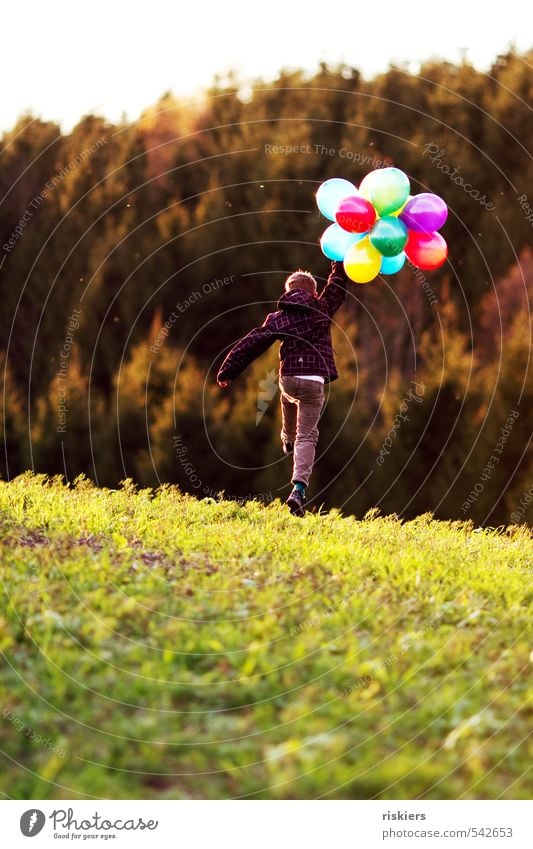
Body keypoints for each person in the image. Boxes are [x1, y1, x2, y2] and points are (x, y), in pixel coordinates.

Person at [217, 260, 348, 516]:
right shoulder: (323, 306)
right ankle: (298, 489)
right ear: (313, 292)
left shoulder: (278, 317)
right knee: (307, 436)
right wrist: (341, 259)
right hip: (314, 381)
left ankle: (287, 437)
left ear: (288, 292)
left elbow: (252, 342)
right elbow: (339, 283)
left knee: (287, 396)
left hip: (288, 377)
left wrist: (228, 370)